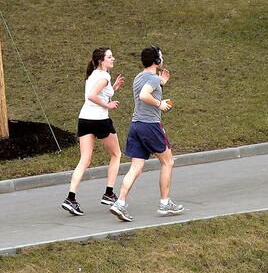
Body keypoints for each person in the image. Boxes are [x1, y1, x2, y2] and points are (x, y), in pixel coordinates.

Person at [109, 45, 184, 222]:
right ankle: (165, 203)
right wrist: (159, 104)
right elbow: (144, 95)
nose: (162, 58)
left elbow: (147, 87)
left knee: (136, 167)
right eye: (161, 56)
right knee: (168, 162)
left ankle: (119, 203)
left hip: (136, 125)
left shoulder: (140, 77)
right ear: (156, 60)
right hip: (150, 126)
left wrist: (162, 83)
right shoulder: (152, 79)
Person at [61, 47, 125, 216]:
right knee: (116, 154)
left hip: (84, 120)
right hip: (99, 120)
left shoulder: (93, 75)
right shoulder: (104, 76)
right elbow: (92, 96)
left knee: (84, 160)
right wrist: (108, 105)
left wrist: (115, 88)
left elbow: (99, 94)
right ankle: (109, 193)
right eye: (110, 57)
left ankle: (70, 198)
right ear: (100, 61)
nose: (113, 59)